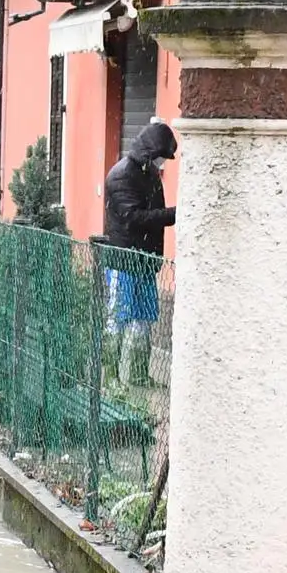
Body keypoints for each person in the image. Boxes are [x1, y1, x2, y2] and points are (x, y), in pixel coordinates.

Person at [99, 121, 173, 387]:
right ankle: (110, 378)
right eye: (161, 156)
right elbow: (133, 217)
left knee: (143, 319)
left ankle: (140, 375)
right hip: (123, 259)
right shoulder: (121, 176)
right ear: (150, 152)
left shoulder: (149, 174)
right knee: (117, 318)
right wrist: (174, 215)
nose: (162, 162)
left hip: (144, 259)